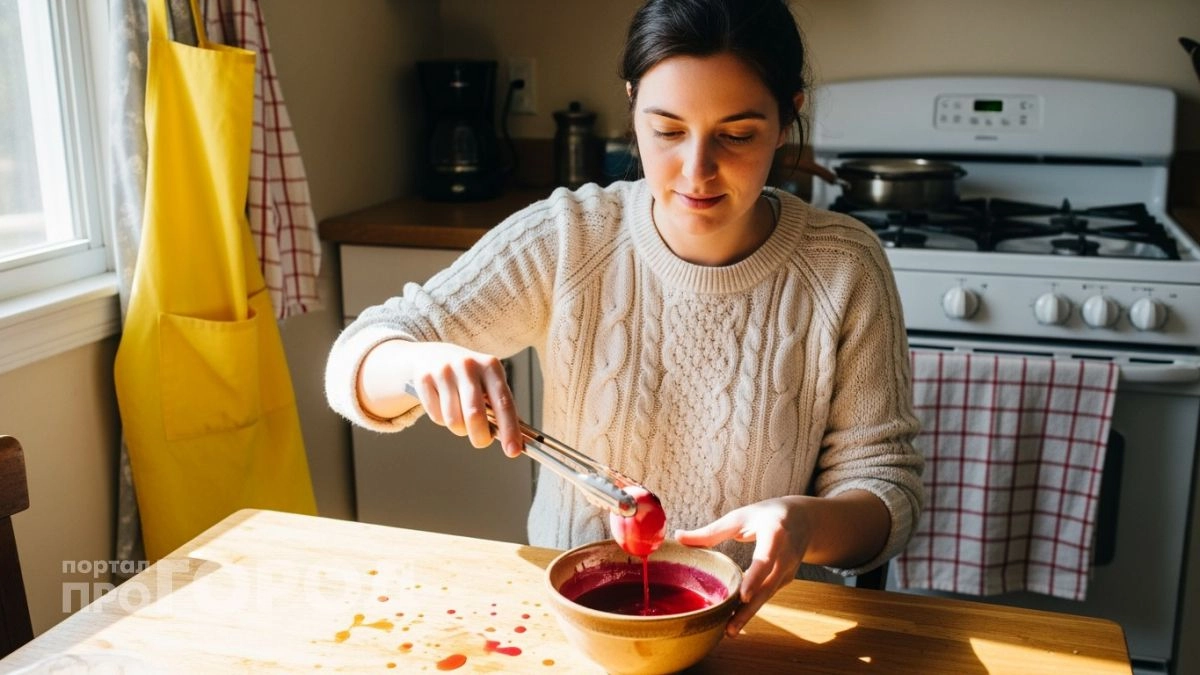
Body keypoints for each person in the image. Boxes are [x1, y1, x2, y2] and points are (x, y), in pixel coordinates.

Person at [325, 0, 923, 638]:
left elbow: (887, 491)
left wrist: (808, 523)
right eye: (667, 130)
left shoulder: (844, 266)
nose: (696, 170)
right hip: (577, 624)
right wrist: (415, 362)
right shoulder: (569, 238)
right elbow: (354, 362)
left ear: (786, 118)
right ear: (633, 105)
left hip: (771, 628)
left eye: (737, 135)